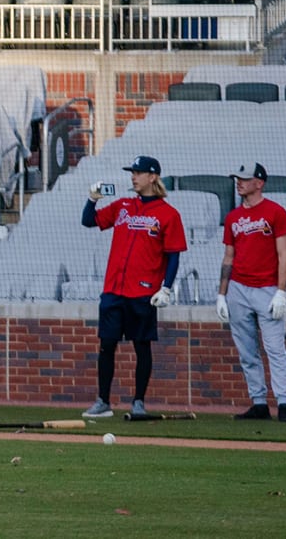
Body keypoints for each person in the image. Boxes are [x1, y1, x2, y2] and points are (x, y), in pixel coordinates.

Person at [80, 156, 186, 420]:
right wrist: (92, 198)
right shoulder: (123, 206)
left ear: (152, 177)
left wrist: (167, 288)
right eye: (132, 172)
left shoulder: (168, 214)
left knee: (142, 347)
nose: (133, 177)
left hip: (143, 292)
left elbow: (173, 254)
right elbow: (88, 221)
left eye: (138, 173)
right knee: (106, 345)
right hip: (114, 289)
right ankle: (102, 401)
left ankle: (138, 401)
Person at [215, 162, 286, 423]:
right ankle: (259, 402)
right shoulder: (233, 217)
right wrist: (222, 294)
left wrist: (281, 291)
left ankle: (283, 403)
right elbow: (229, 256)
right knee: (247, 351)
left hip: (267, 289)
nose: (239, 182)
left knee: (275, 348)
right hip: (238, 288)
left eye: (245, 179)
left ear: (259, 182)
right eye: (238, 178)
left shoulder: (276, 212)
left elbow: (284, 254)